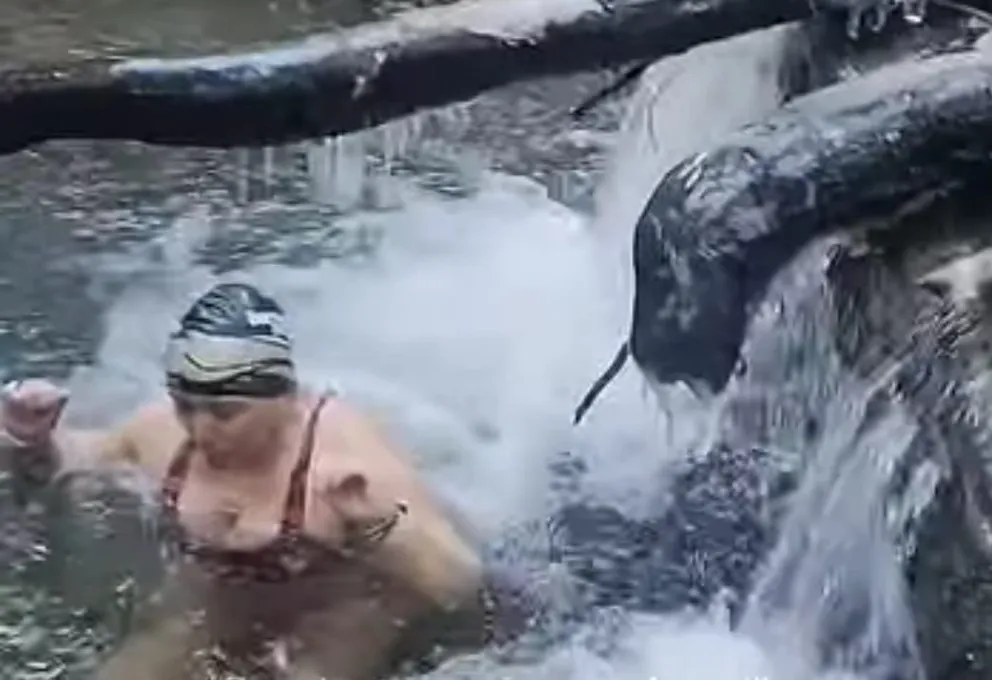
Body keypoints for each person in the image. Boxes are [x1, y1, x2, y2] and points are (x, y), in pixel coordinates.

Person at [0, 282, 529, 680]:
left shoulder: (346, 464)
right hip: (228, 592)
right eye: (187, 405)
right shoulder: (164, 433)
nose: (201, 428)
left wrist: (377, 527)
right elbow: (81, 463)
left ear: (284, 400)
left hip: (355, 596)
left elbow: (458, 584)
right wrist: (33, 442)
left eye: (225, 412)